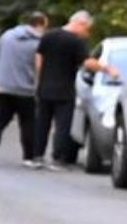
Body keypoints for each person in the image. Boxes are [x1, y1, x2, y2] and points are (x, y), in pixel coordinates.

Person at [34, 10, 118, 170]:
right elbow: (87, 63)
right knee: (63, 125)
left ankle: (37, 156)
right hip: (64, 90)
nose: (87, 33)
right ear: (81, 24)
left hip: (44, 87)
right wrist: (108, 69)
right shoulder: (75, 41)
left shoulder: (49, 36)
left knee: (42, 123)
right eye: (87, 29)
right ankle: (58, 159)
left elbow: (39, 58)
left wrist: (40, 78)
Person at [0, 11, 48, 166]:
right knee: (28, 123)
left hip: (4, 87)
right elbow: (40, 66)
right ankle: (28, 157)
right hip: (26, 91)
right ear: (39, 24)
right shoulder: (39, 43)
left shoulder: (7, 36)